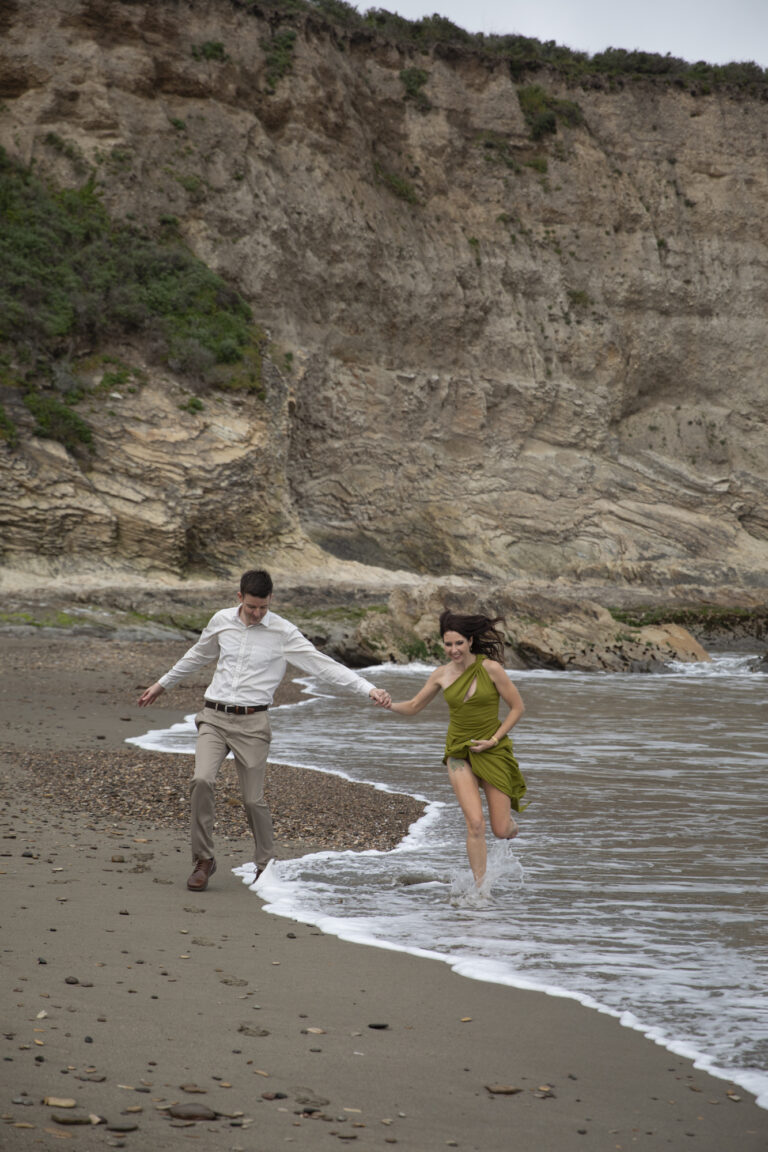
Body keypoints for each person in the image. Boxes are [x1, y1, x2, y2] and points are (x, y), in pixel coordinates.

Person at [138, 569, 391, 891]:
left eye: (263, 607)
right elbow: (198, 655)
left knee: (253, 800)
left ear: (271, 600)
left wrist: (368, 689)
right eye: (251, 607)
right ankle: (204, 860)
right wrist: (162, 685)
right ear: (240, 597)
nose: (257, 614)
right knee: (201, 780)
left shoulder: (283, 633)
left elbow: (323, 665)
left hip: (253, 724)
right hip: (214, 716)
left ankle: (265, 865)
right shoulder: (221, 621)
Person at [382, 610, 526, 885]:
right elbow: (413, 707)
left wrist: (493, 740)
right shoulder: (440, 675)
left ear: (470, 641)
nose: (453, 649)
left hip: (492, 749)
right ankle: (480, 890)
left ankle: (511, 826)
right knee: (475, 824)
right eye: (448, 644)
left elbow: (517, 708)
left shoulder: (491, 669)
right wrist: (388, 704)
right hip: (459, 754)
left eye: (459, 643)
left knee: (499, 828)